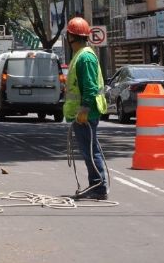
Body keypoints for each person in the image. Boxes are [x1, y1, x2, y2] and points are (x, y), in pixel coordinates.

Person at [64, 17, 109, 200]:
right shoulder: (80, 55)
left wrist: (83, 109)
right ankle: (96, 185)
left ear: (70, 37)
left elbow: (90, 87)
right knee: (88, 150)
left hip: (86, 113)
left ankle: (98, 187)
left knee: (91, 151)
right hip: (81, 113)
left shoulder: (85, 57)